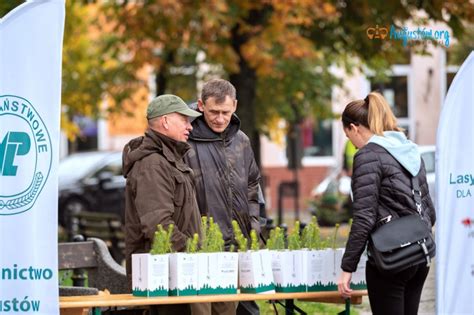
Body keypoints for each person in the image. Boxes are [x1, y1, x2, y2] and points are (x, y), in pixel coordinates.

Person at [337, 92, 436, 315]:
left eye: (348, 136)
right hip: (419, 255)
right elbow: (430, 209)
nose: (352, 144)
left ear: (354, 128)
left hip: (391, 259)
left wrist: (347, 268)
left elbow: (364, 217)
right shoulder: (410, 151)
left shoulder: (367, 156)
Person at [185, 79, 261, 315]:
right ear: (200, 105)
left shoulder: (242, 142)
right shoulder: (186, 142)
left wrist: (253, 227)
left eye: (225, 112)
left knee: (228, 310)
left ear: (235, 106)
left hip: (235, 246)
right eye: (213, 112)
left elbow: (252, 187)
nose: (219, 118)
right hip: (198, 246)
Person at [122, 94, 202, 315]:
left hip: (178, 275)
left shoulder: (169, 158)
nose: (190, 127)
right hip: (163, 280)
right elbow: (158, 226)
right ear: (165, 121)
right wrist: (195, 252)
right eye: (184, 120)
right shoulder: (152, 164)